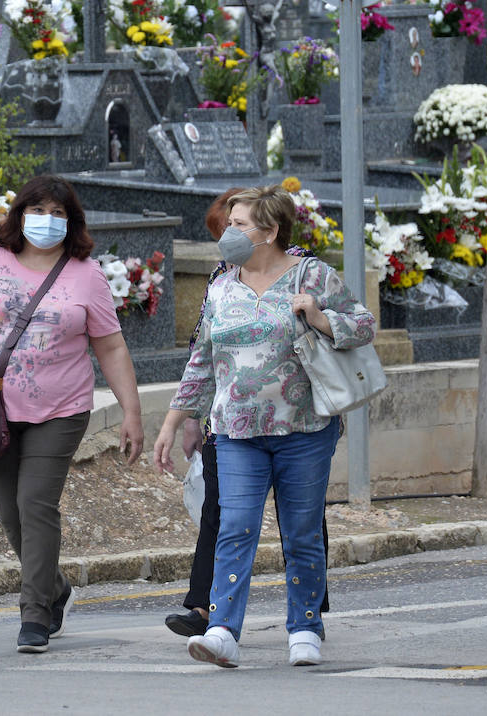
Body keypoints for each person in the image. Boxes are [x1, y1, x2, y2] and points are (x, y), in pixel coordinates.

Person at [154, 185, 375, 668]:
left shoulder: (312, 274)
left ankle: (305, 630)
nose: (229, 232)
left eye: (240, 225)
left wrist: (318, 316)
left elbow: (363, 324)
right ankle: (222, 631)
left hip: (304, 429)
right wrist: (173, 422)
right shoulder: (221, 285)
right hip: (235, 432)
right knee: (234, 526)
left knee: (300, 532)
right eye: (229, 223)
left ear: (271, 231)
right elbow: (202, 362)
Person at [0, 175, 145, 654]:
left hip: (60, 408)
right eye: (37, 211)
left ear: (71, 223)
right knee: (9, 514)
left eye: (57, 214)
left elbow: (110, 346)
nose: (45, 222)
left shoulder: (86, 275)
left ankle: (35, 615)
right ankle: (55, 587)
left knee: (35, 505)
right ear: (19, 214)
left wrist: (132, 412)